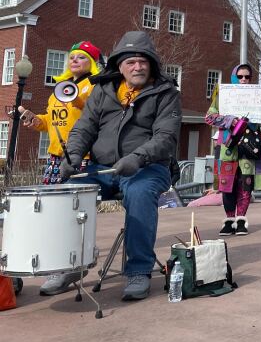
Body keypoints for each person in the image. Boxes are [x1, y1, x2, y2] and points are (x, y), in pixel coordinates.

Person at [62, 31, 182, 301]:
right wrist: (73, 155)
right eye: (131, 62)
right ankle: (70, 265)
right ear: (120, 65)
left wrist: (137, 158)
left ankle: (139, 270)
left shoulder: (167, 93)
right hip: (102, 169)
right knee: (68, 192)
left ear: (152, 64)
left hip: (148, 168)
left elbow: (166, 137)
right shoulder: (102, 90)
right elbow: (84, 128)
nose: (137, 67)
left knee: (139, 193)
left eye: (143, 61)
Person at [18, 40, 103, 296]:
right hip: (55, 157)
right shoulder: (59, 88)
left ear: (92, 63)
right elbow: (52, 121)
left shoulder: (95, 86)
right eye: (72, 56)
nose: (74, 60)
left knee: (72, 212)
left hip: (81, 157)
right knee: (53, 213)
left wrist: (77, 99)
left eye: (82, 57)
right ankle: (61, 262)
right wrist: (35, 120)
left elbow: (96, 114)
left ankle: (71, 264)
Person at [205, 63, 261, 235]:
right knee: (227, 184)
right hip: (228, 146)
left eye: (247, 76)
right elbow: (209, 117)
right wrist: (230, 120)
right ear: (234, 77)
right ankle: (229, 220)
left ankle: (241, 220)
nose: (244, 79)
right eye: (240, 76)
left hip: (249, 145)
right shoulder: (223, 95)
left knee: (245, 183)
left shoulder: (257, 96)